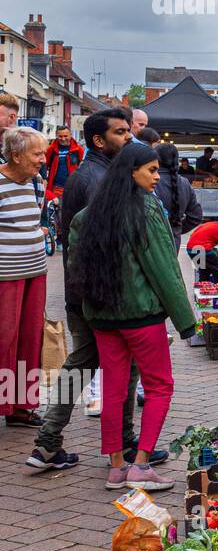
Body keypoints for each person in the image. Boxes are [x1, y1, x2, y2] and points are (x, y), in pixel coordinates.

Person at [30, 107, 155, 472]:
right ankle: (67, 442)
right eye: (120, 133)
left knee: (85, 365)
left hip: (88, 289)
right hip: (99, 294)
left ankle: (52, 442)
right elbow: (105, 242)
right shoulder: (95, 180)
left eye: (128, 131)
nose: (128, 137)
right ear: (99, 141)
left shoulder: (100, 175)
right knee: (92, 365)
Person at [68, 142, 195, 491]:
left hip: (104, 318)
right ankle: (141, 465)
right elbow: (164, 269)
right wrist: (186, 322)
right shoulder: (145, 211)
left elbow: (73, 270)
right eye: (151, 170)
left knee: (113, 388)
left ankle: (116, 467)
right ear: (131, 171)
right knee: (159, 387)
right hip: (141, 316)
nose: (157, 177)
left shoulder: (88, 215)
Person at [1, 127, 49, 432]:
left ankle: (21, 407)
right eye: (36, 154)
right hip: (5, 275)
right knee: (4, 340)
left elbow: (38, 220)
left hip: (35, 272)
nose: (42, 160)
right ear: (15, 155)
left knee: (30, 341)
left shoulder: (37, 183)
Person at [154, 143, 203, 252]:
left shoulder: (150, 181)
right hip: (174, 241)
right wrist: (177, 228)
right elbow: (196, 216)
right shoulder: (184, 183)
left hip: (152, 242)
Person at [43, 126, 83, 203]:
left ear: (70, 135)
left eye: (65, 136)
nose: (63, 139)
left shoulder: (78, 149)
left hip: (74, 187)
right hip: (56, 188)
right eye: (60, 136)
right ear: (56, 136)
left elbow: (83, 167)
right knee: (58, 211)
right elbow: (44, 166)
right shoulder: (50, 149)